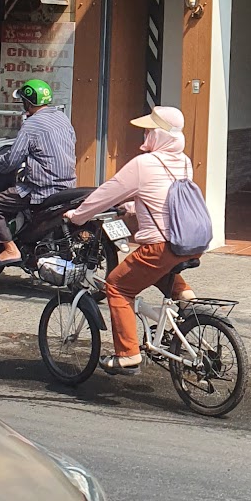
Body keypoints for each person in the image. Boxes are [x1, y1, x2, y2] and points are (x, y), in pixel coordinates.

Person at [65, 106, 197, 375]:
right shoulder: (183, 161)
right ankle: (185, 298)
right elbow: (168, 200)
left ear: (160, 134)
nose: (145, 133)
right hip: (189, 242)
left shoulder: (143, 164)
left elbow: (106, 194)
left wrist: (78, 216)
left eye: (150, 129)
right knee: (153, 269)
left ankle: (128, 354)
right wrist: (134, 209)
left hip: (160, 246)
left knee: (117, 286)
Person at [0, 80, 77, 265]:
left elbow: (12, 160)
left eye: (23, 100)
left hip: (41, 189)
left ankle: (10, 249)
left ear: (29, 102)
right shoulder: (62, 118)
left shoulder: (31, 125)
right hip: (67, 186)